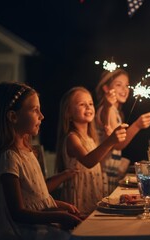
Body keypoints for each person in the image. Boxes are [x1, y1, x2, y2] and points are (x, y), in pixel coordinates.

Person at [0, 82, 82, 239]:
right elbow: (17, 212)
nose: (42, 116)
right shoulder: (9, 157)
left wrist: (60, 205)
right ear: (13, 116)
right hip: (23, 232)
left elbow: (37, 194)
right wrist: (59, 216)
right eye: (34, 110)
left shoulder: (28, 152)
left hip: (38, 227)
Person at [55, 86, 128, 216]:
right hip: (78, 201)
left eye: (90, 103)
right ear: (68, 113)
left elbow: (98, 162)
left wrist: (110, 142)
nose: (88, 107)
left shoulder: (90, 138)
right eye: (82, 104)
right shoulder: (72, 138)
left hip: (93, 195)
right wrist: (109, 141)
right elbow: (89, 161)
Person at [95, 69, 150, 186]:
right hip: (104, 172)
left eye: (127, 85)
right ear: (106, 88)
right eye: (118, 85)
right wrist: (137, 125)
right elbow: (117, 144)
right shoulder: (108, 109)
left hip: (110, 171)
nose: (124, 89)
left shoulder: (115, 111)